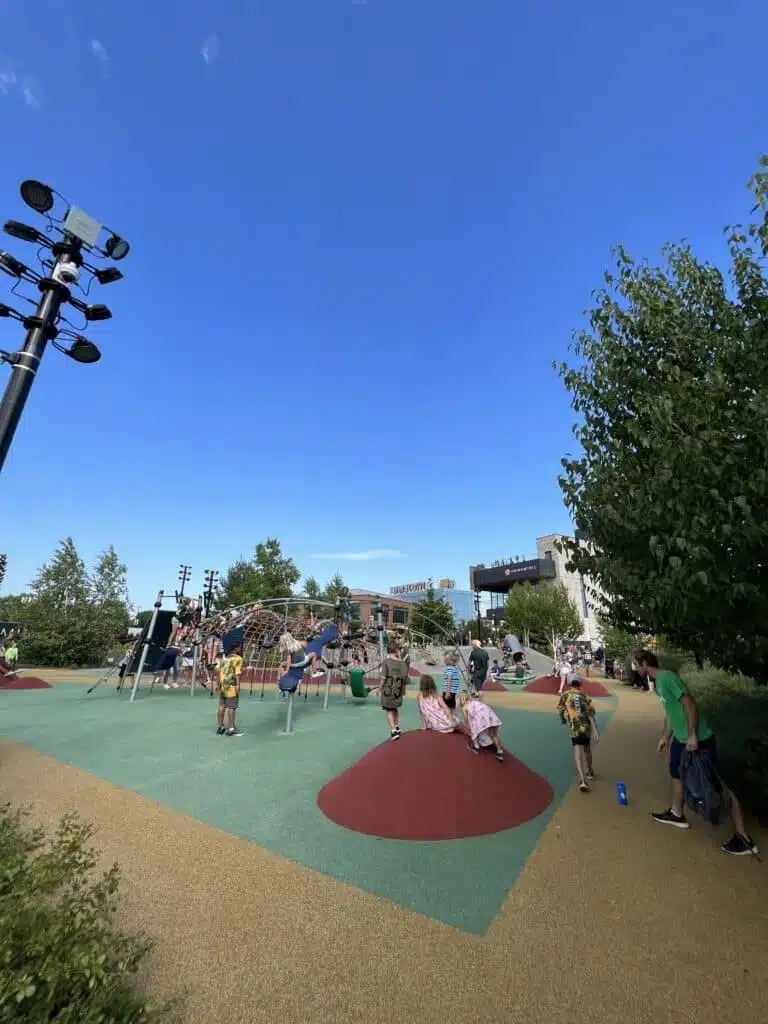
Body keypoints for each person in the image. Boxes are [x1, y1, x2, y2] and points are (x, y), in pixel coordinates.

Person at [632, 649, 758, 856]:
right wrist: (666, 737)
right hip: (681, 739)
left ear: (645, 662)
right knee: (675, 770)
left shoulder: (667, 678)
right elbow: (671, 713)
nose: (634, 668)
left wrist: (692, 736)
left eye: (635, 664)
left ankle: (744, 839)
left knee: (719, 784)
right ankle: (676, 813)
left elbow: (689, 706)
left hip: (699, 739)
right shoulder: (658, 685)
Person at [558, 673, 600, 792]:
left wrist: (562, 718)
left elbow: (560, 709)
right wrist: (596, 731)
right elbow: (591, 714)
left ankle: (582, 780)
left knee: (577, 752)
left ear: (569, 683)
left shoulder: (566, 695)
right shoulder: (585, 696)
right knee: (587, 749)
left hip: (575, 727)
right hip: (586, 727)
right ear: (580, 684)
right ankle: (590, 771)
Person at [458, 691, 504, 761]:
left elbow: (466, 719)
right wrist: (476, 694)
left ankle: (476, 746)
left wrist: (468, 728)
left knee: (474, 729)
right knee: (494, 735)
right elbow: (481, 694)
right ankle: (500, 751)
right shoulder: (475, 700)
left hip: (482, 719)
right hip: (490, 716)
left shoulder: (464, 707)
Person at [379, 638, 410, 740]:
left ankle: (393, 731)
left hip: (388, 689)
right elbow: (405, 679)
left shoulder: (386, 662)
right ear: (397, 651)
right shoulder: (403, 664)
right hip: (398, 689)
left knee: (389, 710)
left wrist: (379, 689)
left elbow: (383, 678)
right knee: (395, 708)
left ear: (388, 651)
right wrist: (404, 690)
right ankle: (397, 726)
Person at [216, 644, 244, 737]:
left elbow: (219, 672)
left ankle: (220, 727)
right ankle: (231, 728)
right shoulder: (238, 659)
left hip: (223, 685)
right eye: (239, 647)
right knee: (231, 707)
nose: (240, 648)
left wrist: (217, 684)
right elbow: (237, 673)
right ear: (235, 648)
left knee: (221, 705)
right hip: (232, 685)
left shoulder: (224, 658)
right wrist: (238, 685)